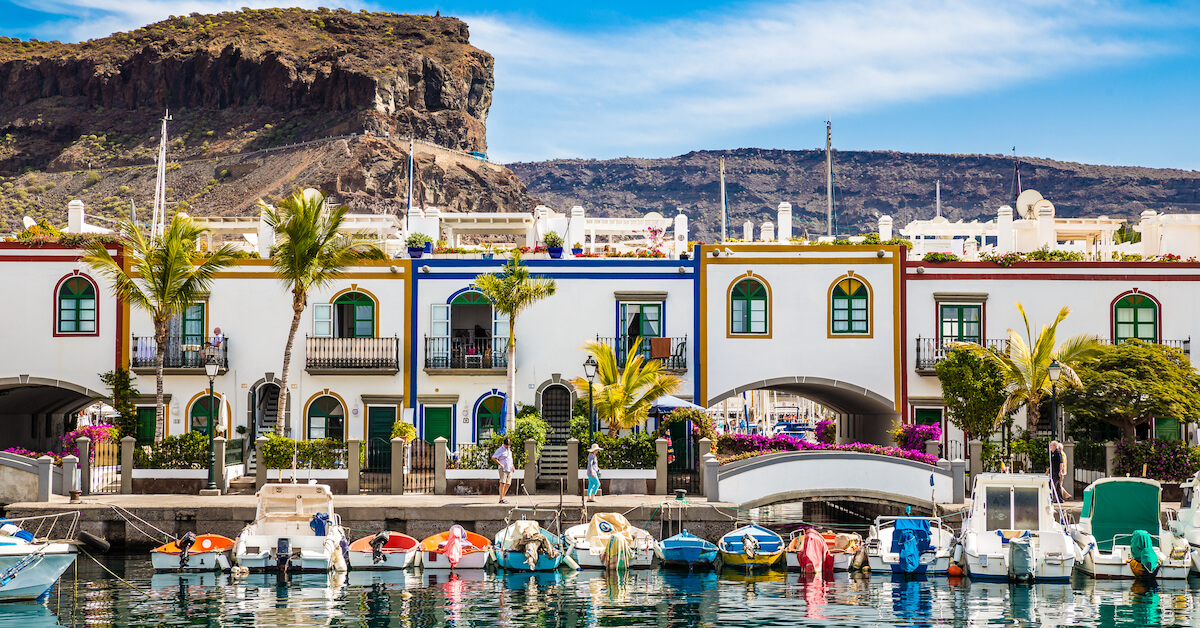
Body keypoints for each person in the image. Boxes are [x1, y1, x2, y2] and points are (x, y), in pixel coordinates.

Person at [491, 437, 514, 504]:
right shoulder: (500, 450)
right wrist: (500, 464)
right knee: (502, 482)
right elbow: (494, 457)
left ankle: (502, 497)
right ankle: (501, 498)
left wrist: (512, 466)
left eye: (509, 445)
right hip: (503, 469)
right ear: (503, 444)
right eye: (506, 445)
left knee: (508, 483)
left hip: (509, 468)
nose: (507, 447)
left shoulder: (509, 450)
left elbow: (510, 458)